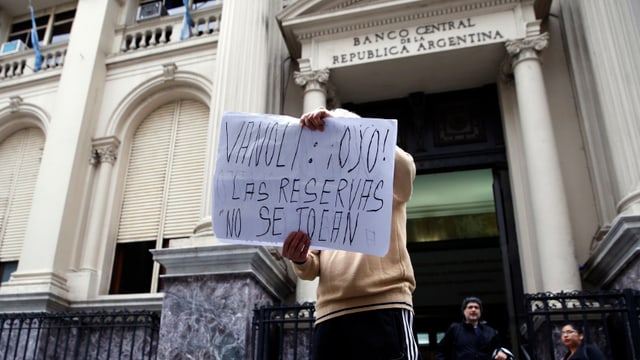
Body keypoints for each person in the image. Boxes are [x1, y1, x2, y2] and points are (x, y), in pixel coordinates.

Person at [281, 107, 421, 360]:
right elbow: (312, 266)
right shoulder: (318, 195)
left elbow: (406, 168)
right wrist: (299, 258)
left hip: (384, 305)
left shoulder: (386, 178)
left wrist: (348, 126)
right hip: (329, 315)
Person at [435, 296, 512, 360]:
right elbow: (441, 351)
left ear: (480, 312)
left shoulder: (490, 331)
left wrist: (501, 352)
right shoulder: (455, 329)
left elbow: (500, 348)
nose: (473, 309)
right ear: (464, 311)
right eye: (470, 307)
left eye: (476, 307)